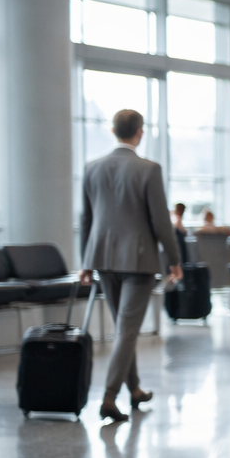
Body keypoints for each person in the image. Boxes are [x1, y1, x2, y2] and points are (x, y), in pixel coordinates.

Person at [77, 109, 183, 423]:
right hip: (138, 261)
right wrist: (175, 261)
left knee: (125, 329)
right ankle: (109, 397)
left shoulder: (91, 168)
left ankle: (134, 390)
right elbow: (161, 221)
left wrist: (85, 262)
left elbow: (86, 219)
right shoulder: (149, 169)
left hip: (103, 260)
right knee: (127, 331)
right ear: (140, 132)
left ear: (113, 131)